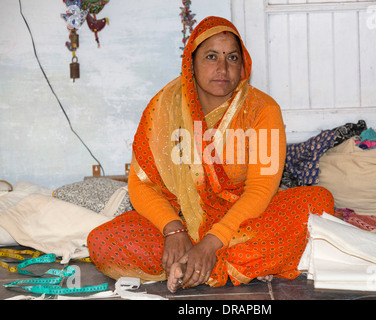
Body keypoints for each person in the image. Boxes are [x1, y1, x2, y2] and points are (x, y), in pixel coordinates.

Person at [87, 16, 334, 293]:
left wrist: (211, 242)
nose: (222, 68)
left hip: (241, 223)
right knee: (103, 240)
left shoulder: (262, 109)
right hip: (179, 221)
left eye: (232, 57)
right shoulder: (163, 108)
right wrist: (173, 229)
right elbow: (141, 184)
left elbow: (260, 190)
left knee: (318, 202)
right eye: (211, 56)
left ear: (243, 65)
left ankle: (194, 266)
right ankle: (217, 266)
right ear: (190, 63)